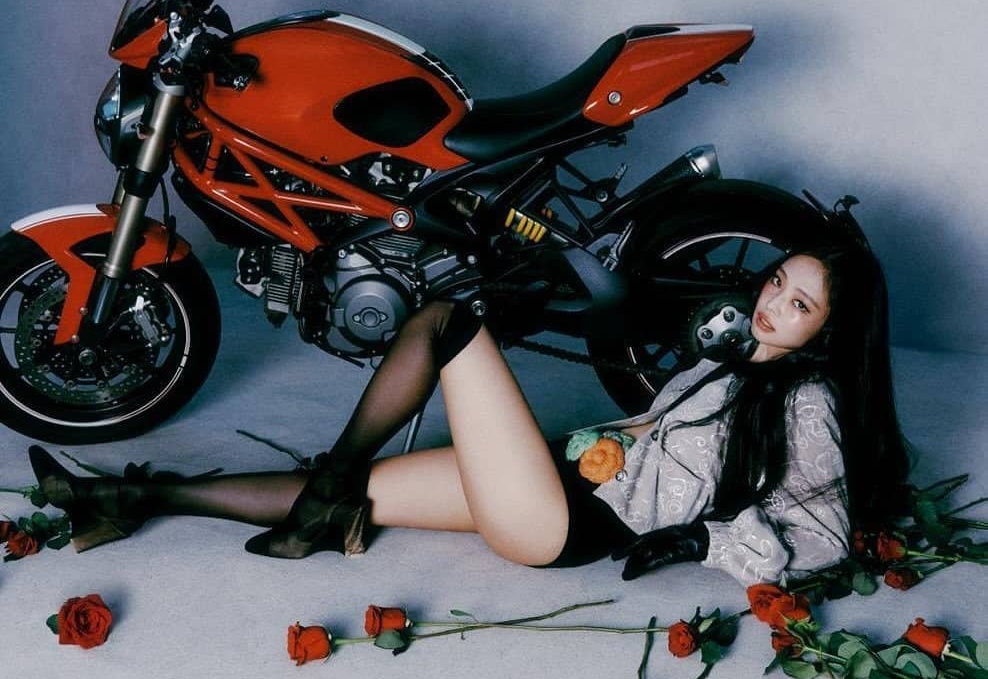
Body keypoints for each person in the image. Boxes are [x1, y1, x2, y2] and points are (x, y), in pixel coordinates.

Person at [27, 237, 911, 587]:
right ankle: (120, 502)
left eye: (800, 303)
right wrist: (592, 441)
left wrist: (701, 544)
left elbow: (823, 535)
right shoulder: (736, 355)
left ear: (831, 329)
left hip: (564, 523)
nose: (772, 304)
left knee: (447, 322)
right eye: (776, 282)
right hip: (560, 477)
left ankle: (328, 492)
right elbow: (657, 435)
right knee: (362, 491)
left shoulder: (810, 403)